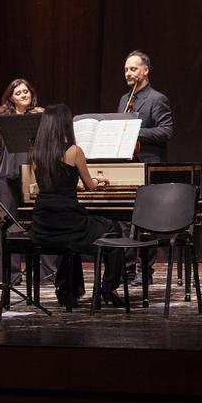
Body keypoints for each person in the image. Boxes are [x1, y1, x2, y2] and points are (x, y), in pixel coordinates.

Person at [30, 103, 124, 307]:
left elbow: (51, 184)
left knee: (71, 240)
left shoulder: (36, 153)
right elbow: (90, 186)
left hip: (43, 224)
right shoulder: (74, 151)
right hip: (68, 222)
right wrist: (98, 182)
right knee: (113, 228)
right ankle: (108, 287)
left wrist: (72, 186)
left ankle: (66, 288)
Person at [0, 78, 51, 284]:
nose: (23, 95)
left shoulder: (39, 117)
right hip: (8, 176)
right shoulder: (3, 120)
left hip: (34, 176)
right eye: (18, 93)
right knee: (8, 224)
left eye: (26, 91)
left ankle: (45, 273)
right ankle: (8, 274)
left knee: (43, 221)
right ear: (11, 98)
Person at [116, 50, 173, 284]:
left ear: (145, 70)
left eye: (134, 69)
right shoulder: (123, 99)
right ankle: (127, 269)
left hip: (148, 166)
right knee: (124, 219)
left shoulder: (157, 99)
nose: (129, 73)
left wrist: (135, 131)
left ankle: (145, 272)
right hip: (126, 167)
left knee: (145, 220)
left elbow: (166, 130)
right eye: (127, 69)